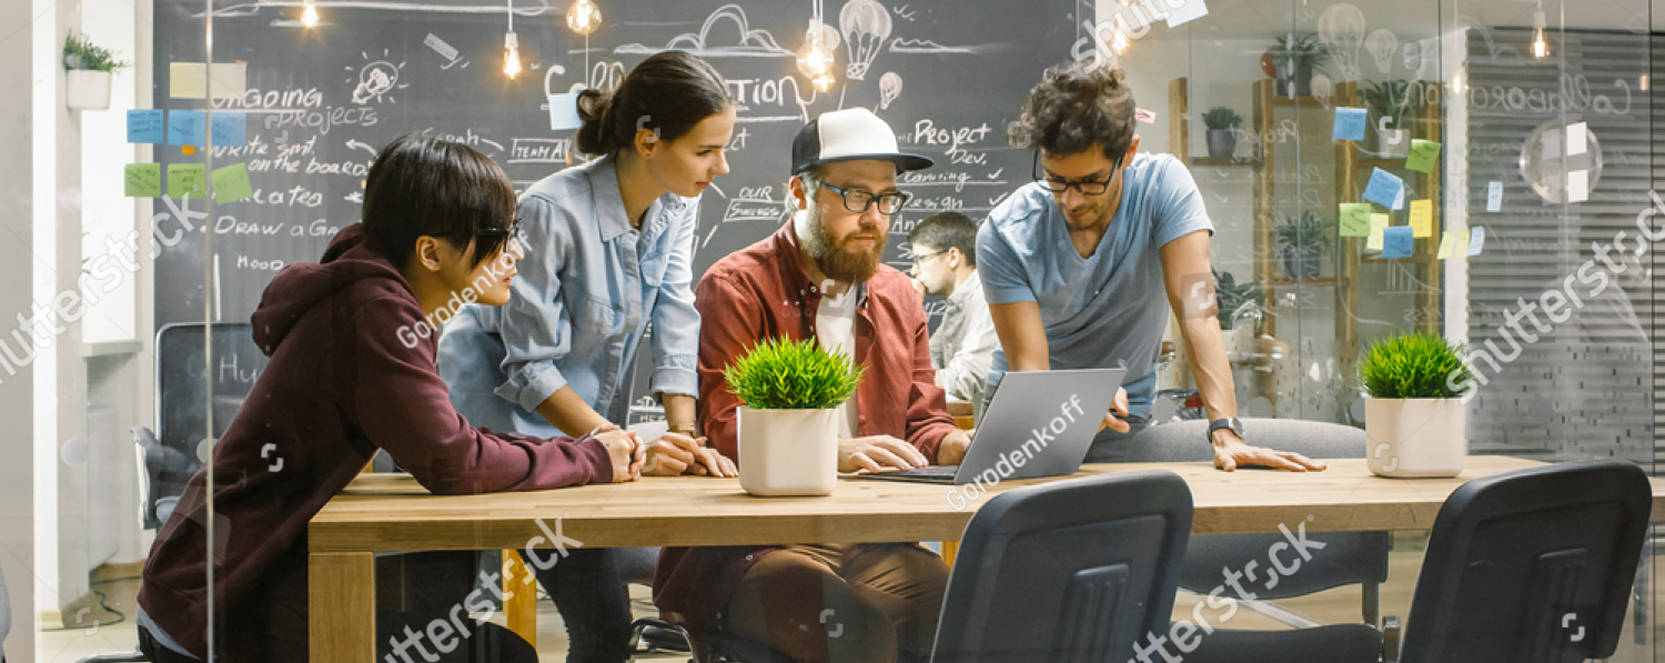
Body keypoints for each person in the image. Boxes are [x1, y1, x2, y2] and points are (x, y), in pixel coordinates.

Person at [135, 134, 641, 663]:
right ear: (429, 251)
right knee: (502, 655)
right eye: (498, 235)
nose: (517, 251)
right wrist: (589, 458)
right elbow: (453, 462)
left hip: (208, 587)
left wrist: (590, 447)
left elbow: (448, 441)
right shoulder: (375, 312)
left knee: (480, 632)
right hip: (215, 612)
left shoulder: (375, 295)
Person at [437, 50, 737, 663]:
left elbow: (674, 310)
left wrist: (684, 436)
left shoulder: (679, 202)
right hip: (506, 433)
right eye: (707, 150)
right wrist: (619, 445)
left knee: (707, 575)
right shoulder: (549, 212)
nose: (722, 166)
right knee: (602, 629)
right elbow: (528, 369)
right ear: (648, 140)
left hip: (589, 436)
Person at [654, 108, 971, 663]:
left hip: (874, 538)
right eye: (853, 196)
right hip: (756, 546)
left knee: (974, 617)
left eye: (886, 198)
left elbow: (923, 420)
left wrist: (955, 445)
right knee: (857, 635)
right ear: (800, 193)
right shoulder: (735, 287)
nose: (873, 216)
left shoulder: (900, 295)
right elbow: (727, 431)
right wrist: (836, 452)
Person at [980, 59, 1326, 472]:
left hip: (1126, 421)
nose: (1071, 200)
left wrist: (1226, 430)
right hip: (1027, 419)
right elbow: (1031, 370)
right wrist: (1076, 401)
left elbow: (1198, 312)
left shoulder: (1164, 188)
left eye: (1090, 181)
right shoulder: (1005, 233)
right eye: (1056, 179)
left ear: (1128, 153)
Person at [907, 211, 998, 407]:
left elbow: (966, 378)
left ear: (953, 257)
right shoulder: (957, 302)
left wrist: (902, 378)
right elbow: (925, 360)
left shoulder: (986, 297)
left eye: (921, 259)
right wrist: (909, 312)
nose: (914, 271)